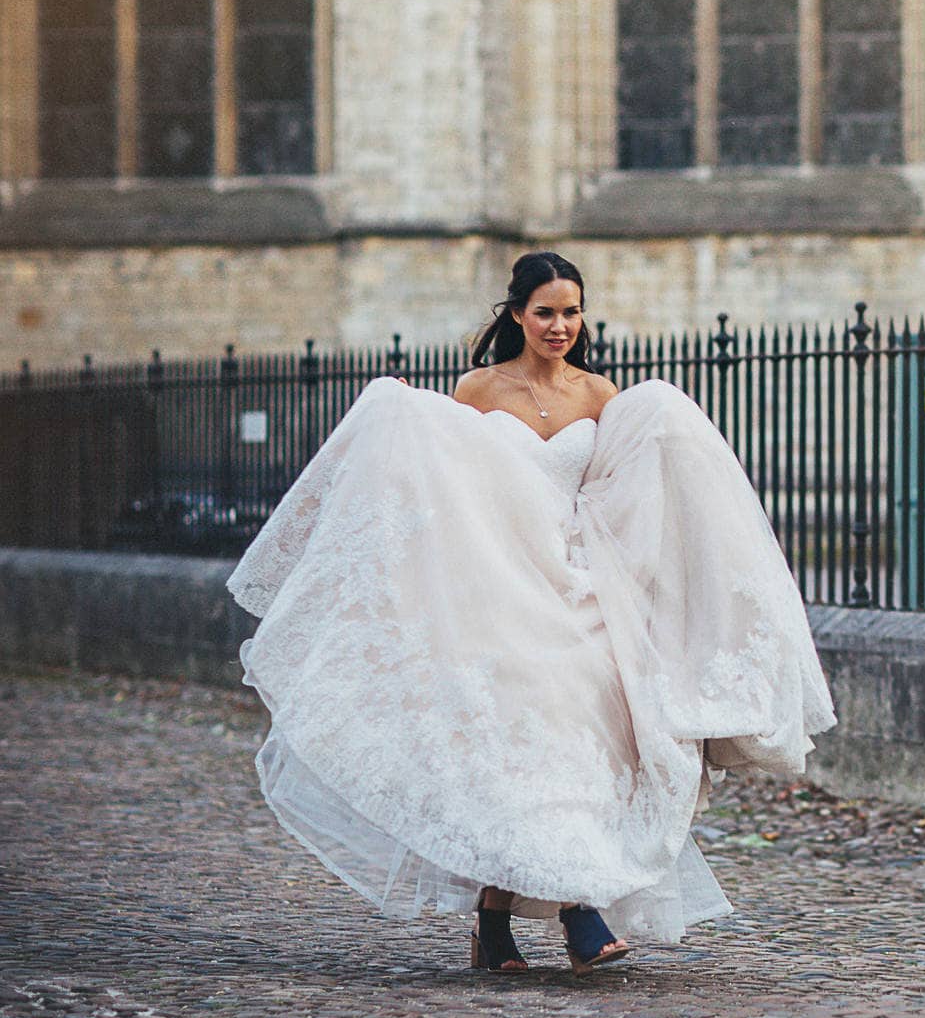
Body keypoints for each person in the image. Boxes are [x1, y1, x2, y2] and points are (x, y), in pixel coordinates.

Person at [227, 251, 835, 975]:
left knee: (576, 742)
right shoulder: (478, 389)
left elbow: (620, 495)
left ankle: (499, 918)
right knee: (512, 751)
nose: (560, 326)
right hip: (499, 585)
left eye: (572, 311)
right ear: (515, 313)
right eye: (545, 311)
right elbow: (446, 488)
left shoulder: (601, 395)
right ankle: (574, 912)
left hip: (575, 586)